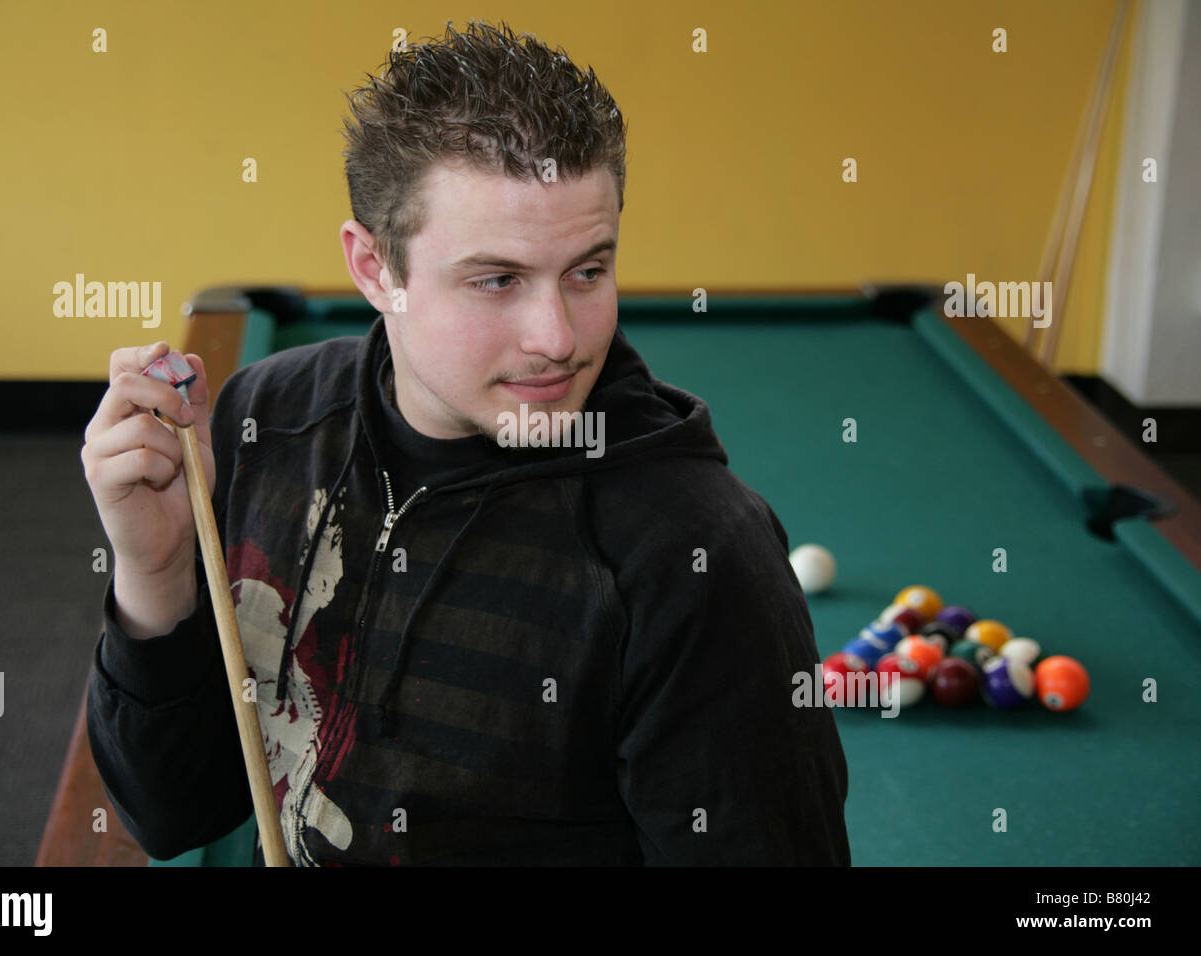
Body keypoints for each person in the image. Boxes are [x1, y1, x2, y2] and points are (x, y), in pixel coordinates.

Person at [81, 19, 850, 866]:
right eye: (497, 280)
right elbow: (173, 813)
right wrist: (153, 579)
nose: (557, 337)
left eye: (588, 271)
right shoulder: (274, 414)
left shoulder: (697, 557)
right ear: (375, 269)